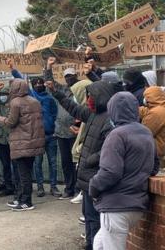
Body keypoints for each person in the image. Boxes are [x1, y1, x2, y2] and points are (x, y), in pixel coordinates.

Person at [46, 80, 117, 250]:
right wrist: (56, 92)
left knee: (95, 218)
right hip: (86, 178)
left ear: (101, 97)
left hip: (95, 177)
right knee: (88, 216)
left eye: (91, 96)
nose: (88, 100)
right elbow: (73, 107)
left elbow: (112, 146)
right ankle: (89, 243)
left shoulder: (109, 120)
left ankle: (95, 245)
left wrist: (92, 159)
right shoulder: (93, 114)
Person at [90, 92, 155, 250]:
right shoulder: (146, 132)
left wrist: (93, 187)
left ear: (113, 111)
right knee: (98, 245)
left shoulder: (116, 135)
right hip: (136, 204)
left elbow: (110, 172)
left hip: (116, 206)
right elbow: (154, 166)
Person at [0, 79, 45, 211]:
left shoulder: (15, 102)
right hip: (33, 141)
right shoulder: (34, 101)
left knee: (22, 174)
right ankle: (20, 198)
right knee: (26, 172)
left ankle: (26, 201)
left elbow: (10, 122)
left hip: (21, 142)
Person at [43, 57, 79, 199]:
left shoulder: (80, 90)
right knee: (65, 162)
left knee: (76, 162)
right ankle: (69, 189)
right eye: (67, 76)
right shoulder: (62, 89)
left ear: (76, 76)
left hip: (75, 131)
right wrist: (48, 67)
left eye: (71, 76)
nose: (69, 78)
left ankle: (78, 189)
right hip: (61, 132)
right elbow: (49, 82)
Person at [29, 77, 60, 197]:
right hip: (37, 136)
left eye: (40, 83)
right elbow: (21, 79)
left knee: (53, 163)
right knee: (38, 163)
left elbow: (55, 114)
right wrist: (12, 69)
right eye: (35, 83)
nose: (38, 85)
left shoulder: (49, 99)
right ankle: (40, 187)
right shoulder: (31, 96)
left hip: (50, 135)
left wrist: (53, 129)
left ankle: (53, 187)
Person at [0, 80, 19, 198]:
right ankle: (8, 186)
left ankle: (17, 186)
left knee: (15, 165)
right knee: (5, 165)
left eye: (5, 95)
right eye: (1, 95)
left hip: (12, 140)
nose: (3, 97)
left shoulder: (14, 105)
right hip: (2, 140)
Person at [139, 86, 165, 173]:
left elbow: (144, 132)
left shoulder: (156, 113)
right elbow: (146, 110)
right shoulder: (160, 107)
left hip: (157, 153)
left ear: (149, 98)